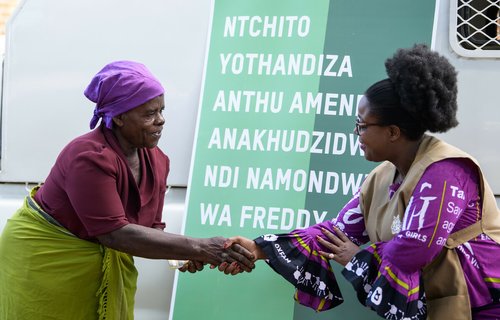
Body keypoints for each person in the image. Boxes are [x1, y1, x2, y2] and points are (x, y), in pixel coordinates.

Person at [224, 44, 500, 319]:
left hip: (486, 306)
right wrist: (258, 248)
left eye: (362, 125)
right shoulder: (381, 176)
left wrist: (356, 258)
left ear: (392, 132)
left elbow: (414, 251)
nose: (356, 133)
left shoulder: (446, 171)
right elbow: (337, 233)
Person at [0, 61, 254, 320]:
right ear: (119, 117)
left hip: (93, 259)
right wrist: (200, 247)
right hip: (45, 264)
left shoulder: (158, 160)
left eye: (162, 110)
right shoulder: (88, 156)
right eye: (149, 113)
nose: (161, 120)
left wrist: (186, 253)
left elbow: (151, 228)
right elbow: (114, 234)